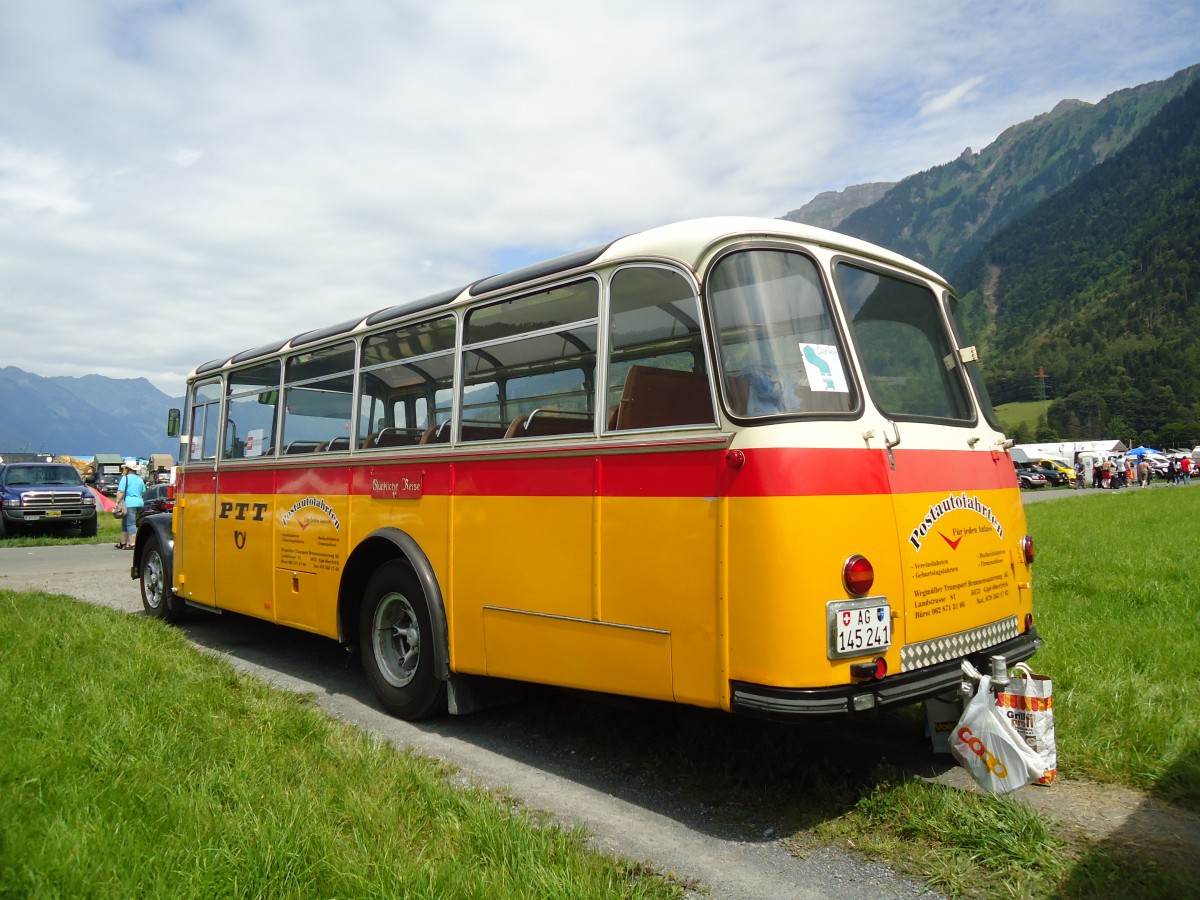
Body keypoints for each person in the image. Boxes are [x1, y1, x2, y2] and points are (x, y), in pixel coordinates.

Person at [114, 460, 145, 549]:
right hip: (139, 503)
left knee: (130, 523)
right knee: (125, 523)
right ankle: (123, 543)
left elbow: (121, 492)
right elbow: (143, 491)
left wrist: (117, 502)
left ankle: (132, 544)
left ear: (128, 469)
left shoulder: (125, 478)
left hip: (129, 503)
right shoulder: (140, 479)